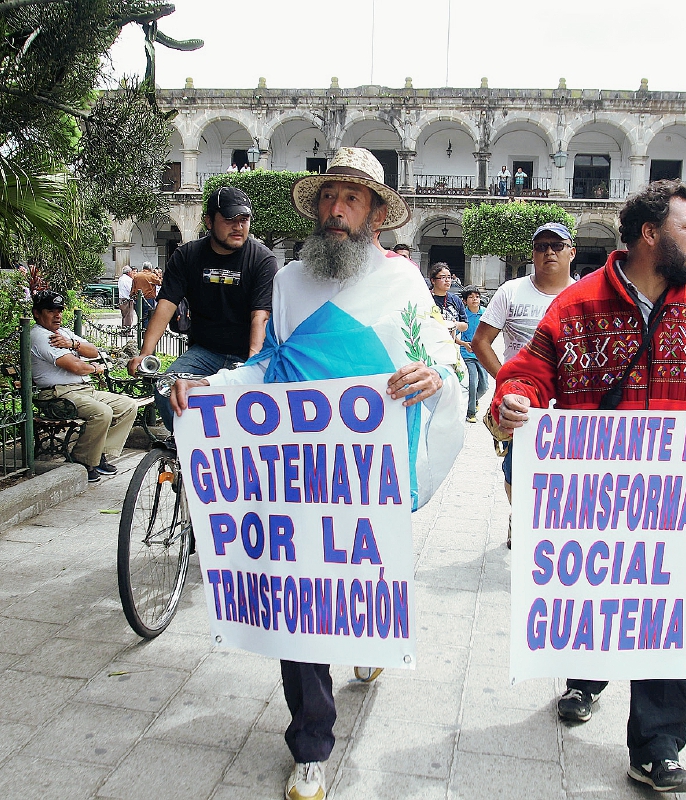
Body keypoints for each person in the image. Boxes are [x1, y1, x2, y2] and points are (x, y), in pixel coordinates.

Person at [165, 147, 463, 800]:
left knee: (353, 587)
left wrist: (434, 374)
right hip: (298, 471)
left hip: (370, 478)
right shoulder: (292, 281)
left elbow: (449, 362)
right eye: (329, 197)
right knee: (300, 598)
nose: (335, 210)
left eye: (351, 199)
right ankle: (311, 743)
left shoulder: (406, 286)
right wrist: (208, 386)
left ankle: (370, 637)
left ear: (376, 214)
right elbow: (267, 365)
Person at [490, 180, 686, 794]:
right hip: (593, 498)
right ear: (651, 235)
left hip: (670, 505)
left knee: (660, 611)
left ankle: (657, 747)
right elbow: (530, 374)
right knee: (599, 597)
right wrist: (514, 402)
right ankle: (586, 677)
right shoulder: (575, 309)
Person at [128, 186, 277, 431]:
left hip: (246, 353)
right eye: (229, 220)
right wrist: (146, 352)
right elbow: (165, 305)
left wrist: (252, 364)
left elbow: (260, 316)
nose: (238, 227)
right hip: (206, 351)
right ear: (209, 221)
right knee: (166, 388)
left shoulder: (262, 260)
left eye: (244, 220)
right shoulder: (187, 255)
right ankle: (183, 447)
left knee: (247, 404)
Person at [471, 221, 575, 544]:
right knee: (515, 471)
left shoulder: (582, 295)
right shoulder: (511, 291)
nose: (549, 252)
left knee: (565, 475)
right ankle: (522, 515)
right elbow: (480, 342)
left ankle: (547, 524)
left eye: (556, 245)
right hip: (521, 406)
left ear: (572, 252)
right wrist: (506, 382)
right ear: (532, 253)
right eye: (541, 246)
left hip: (568, 405)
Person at [28, 291, 136, 483]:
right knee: (102, 412)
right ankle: (83, 461)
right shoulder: (40, 336)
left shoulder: (64, 333)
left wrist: (72, 343)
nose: (57, 315)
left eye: (60, 311)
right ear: (37, 313)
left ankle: (98, 453)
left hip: (83, 390)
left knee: (128, 405)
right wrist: (94, 368)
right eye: (51, 311)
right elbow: (77, 367)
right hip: (58, 394)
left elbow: (93, 350)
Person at [456, 286, 488, 423]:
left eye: (477, 296)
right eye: (471, 297)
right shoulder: (463, 316)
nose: (475, 299)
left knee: (484, 386)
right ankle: (471, 412)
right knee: (472, 381)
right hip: (467, 354)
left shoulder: (486, 313)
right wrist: (463, 343)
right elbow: (453, 335)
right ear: (465, 301)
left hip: (482, 354)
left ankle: (473, 401)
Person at [429, 262, 468, 336]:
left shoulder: (455, 299)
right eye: (443, 277)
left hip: (449, 343)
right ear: (433, 280)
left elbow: (465, 325)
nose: (447, 280)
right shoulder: (426, 298)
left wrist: (455, 324)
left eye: (449, 277)